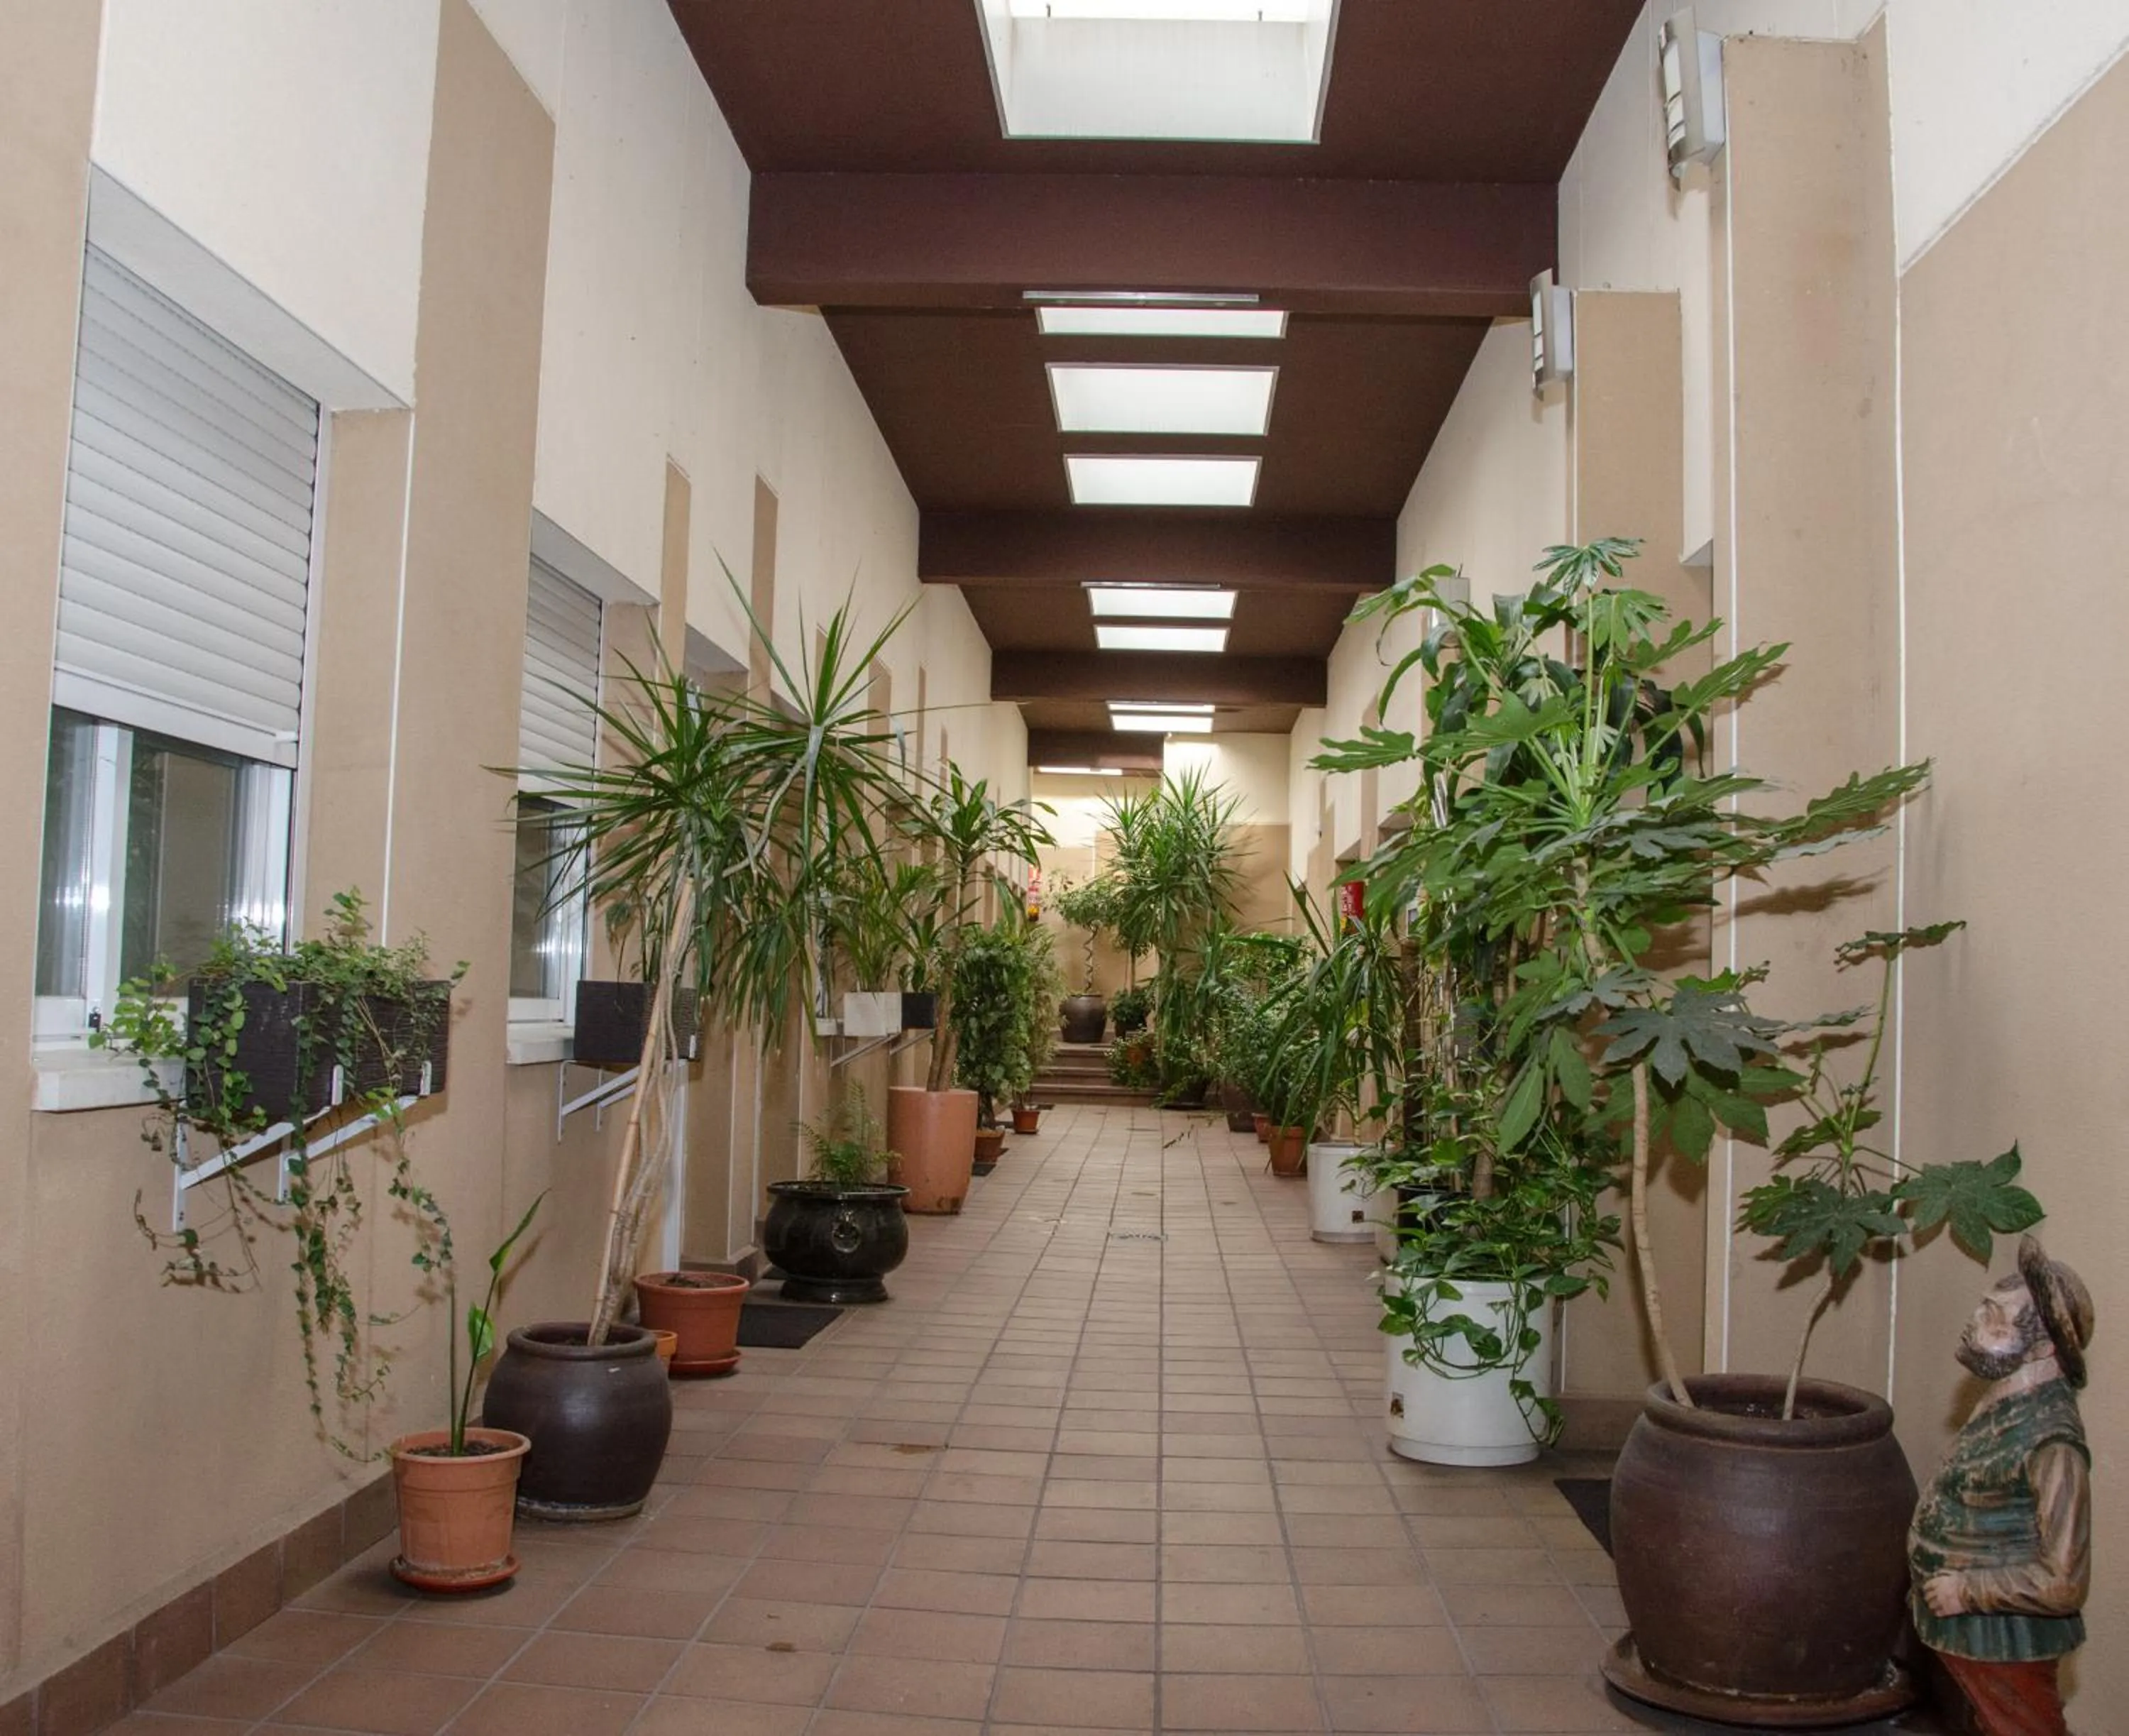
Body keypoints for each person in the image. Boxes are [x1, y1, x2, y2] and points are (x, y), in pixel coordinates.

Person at [1909, 1235, 2095, 1736]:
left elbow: (2065, 1582)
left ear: (2044, 1346)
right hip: (1967, 1640)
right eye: (1984, 1308)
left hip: (2003, 1643)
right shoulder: (2003, 1403)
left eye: (1996, 1317)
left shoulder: (2052, 1443)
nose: (1976, 1322)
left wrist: (1969, 1590)